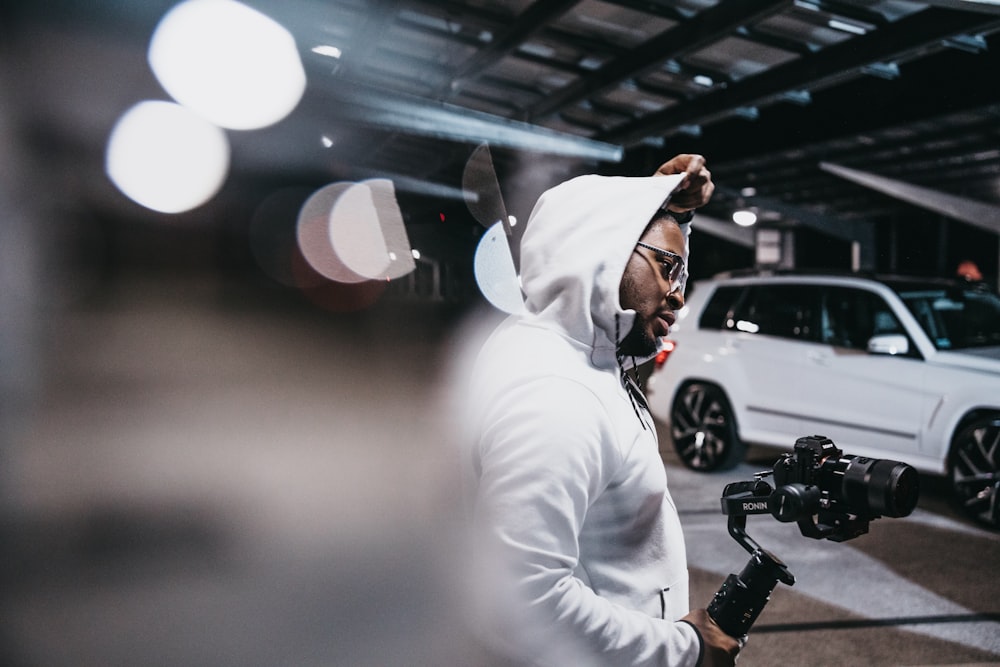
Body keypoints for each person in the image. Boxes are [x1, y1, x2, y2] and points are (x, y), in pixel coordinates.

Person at [458, 154, 741, 666]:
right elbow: (519, 602)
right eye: (668, 269)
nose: (678, 296)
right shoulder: (557, 394)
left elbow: (624, 254)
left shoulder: (551, 342)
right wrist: (685, 648)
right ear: (599, 254)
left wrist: (661, 209)